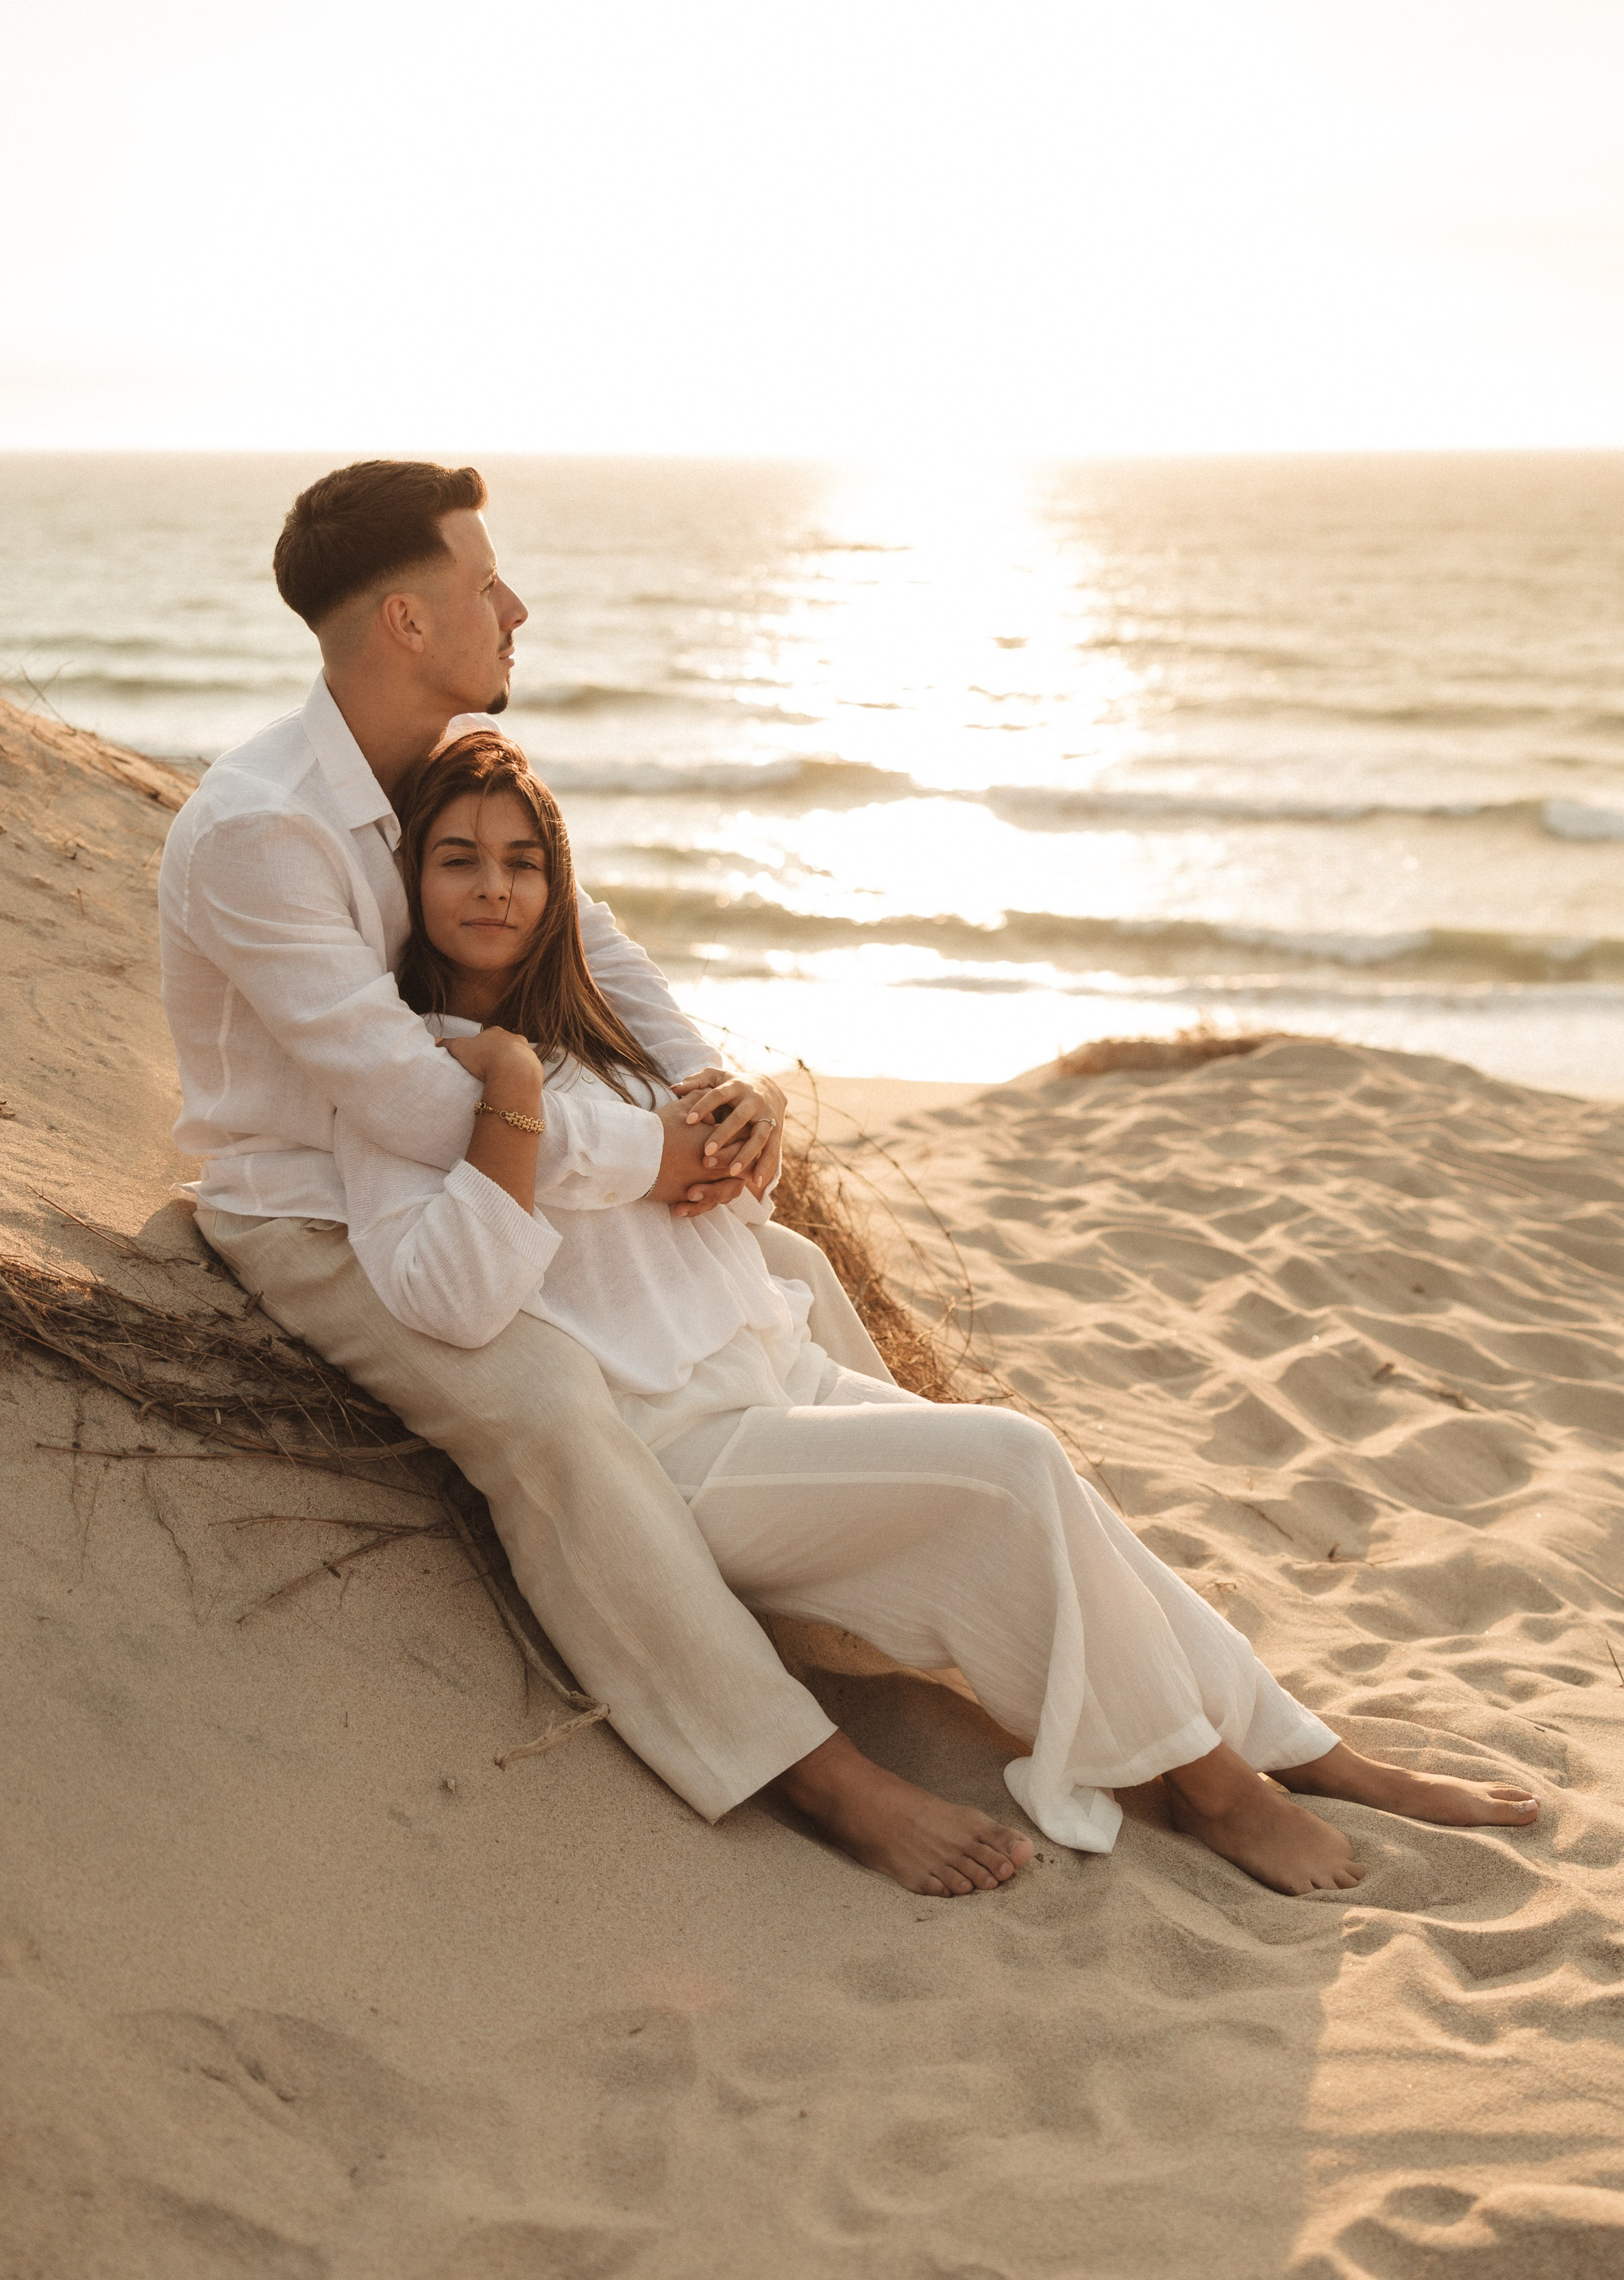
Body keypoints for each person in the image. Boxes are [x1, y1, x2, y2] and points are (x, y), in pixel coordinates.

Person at [325, 719, 1544, 1899]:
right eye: (459, 859)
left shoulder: (601, 1028)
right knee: (1010, 1459)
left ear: (558, 885)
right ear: (411, 880)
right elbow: (459, 1297)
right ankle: (1216, 1787)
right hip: (679, 1447)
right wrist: (527, 1098)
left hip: (777, 1373)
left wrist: (732, 1137)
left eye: (523, 862)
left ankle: (1306, 1750)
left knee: (1057, 1498)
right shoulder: (423, 1072)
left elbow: (720, 1206)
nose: (495, 889)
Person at [158, 458, 1043, 1897]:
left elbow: (605, 957)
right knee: (549, 1402)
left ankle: (885, 1576)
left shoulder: (432, 776)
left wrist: (719, 1099)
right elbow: (395, 1096)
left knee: (787, 1270)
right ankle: (807, 1768)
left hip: (487, 1168)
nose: (515, 606)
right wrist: (648, 1157)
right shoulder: (265, 829)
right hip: (323, 1202)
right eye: (481, 583)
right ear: (402, 618)